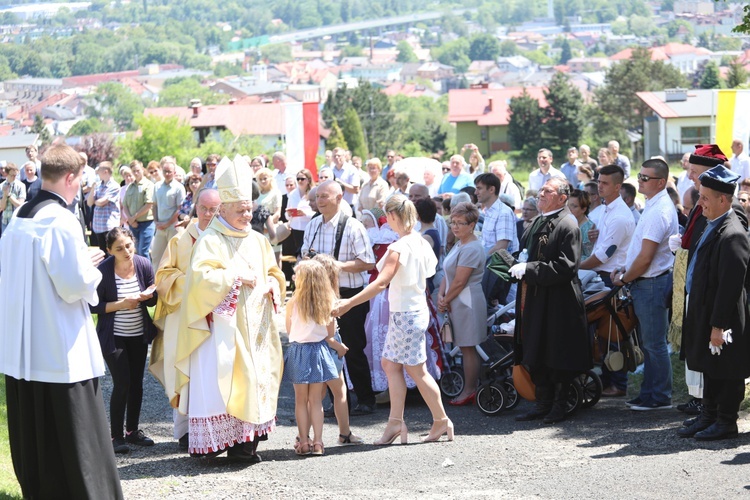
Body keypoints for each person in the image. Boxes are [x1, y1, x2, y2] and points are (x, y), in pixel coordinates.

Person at [0, 143, 123, 499]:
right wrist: (93, 266)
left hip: (23, 348)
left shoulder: (21, 214)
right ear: (71, 177)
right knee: (76, 435)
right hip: (59, 346)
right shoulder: (62, 220)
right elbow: (73, 286)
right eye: (80, 178)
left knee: (38, 435)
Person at [174, 156, 285, 462]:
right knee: (228, 382)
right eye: (240, 210)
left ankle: (246, 445)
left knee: (256, 380)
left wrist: (274, 285)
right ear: (222, 209)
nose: (247, 215)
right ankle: (217, 444)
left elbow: (275, 273)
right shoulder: (210, 240)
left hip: (257, 329)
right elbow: (200, 280)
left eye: (249, 209)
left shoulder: (259, 240)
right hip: (223, 332)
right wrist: (236, 278)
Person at [334, 194, 453, 444]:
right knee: (391, 364)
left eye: (388, 215)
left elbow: (380, 283)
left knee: (416, 370)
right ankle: (396, 423)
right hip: (413, 310)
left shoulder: (399, 247)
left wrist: (348, 303)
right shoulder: (418, 241)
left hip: (407, 313)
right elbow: (429, 272)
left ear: (393, 216)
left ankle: (440, 420)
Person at [678, 165, 750, 440]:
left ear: (723, 199)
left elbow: (730, 288)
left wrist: (718, 326)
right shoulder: (713, 224)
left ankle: (726, 421)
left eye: (705, 197)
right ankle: (708, 415)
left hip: (725, 316)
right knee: (710, 366)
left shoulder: (732, 234)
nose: (700, 202)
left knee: (727, 370)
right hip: (706, 310)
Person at [511, 178, 590, 424]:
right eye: (541, 189)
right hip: (535, 297)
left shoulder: (568, 224)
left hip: (558, 301)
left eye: (548, 191)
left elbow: (566, 266)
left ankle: (560, 404)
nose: (541, 194)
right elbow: (527, 254)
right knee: (537, 348)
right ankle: (542, 402)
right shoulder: (538, 221)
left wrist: (529, 268)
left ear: (562, 197)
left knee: (557, 351)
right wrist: (514, 263)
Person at [152, 188, 221, 450]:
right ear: (195, 208)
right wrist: (192, 283)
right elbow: (163, 277)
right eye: (203, 208)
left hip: (216, 318)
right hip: (184, 318)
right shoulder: (180, 240)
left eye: (213, 210)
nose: (207, 214)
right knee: (185, 370)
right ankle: (183, 432)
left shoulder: (226, 239)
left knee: (213, 373)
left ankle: (215, 430)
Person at [301, 181, 377, 415]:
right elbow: (305, 254)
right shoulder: (313, 224)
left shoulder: (353, 226)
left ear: (340, 197)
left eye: (325, 196)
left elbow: (368, 262)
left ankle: (365, 400)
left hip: (349, 296)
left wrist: (336, 265)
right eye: (317, 197)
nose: (319, 200)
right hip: (322, 294)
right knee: (326, 348)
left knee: (352, 348)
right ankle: (339, 403)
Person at [613, 158, 678, 411]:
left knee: (654, 344)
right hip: (647, 281)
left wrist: (624, 278)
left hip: (650, 283)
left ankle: (660, 396)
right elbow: (640, 252)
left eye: (645, 178)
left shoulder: (659, 210)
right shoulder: (654, 204)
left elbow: (646, 257)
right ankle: (650, 392)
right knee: (651, 344)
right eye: (639, 176)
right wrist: (626, 271)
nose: (639, 181)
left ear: (660, 182)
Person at [90, 227, 158, 453]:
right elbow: (94, 306)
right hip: (113, 337)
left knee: (137, 383)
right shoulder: (103, 271)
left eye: (129, 245)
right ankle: (116, 436)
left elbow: (152, 300)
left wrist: (149, 296)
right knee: (122, 383)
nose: (126, 251)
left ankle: (132, 431)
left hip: (138, 334)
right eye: (119, 248)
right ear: (109, 251)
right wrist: (121, 304)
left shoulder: (143, 264)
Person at [579, 165, 634, 397]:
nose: (599, 186)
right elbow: (598, 248)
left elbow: (602, 256)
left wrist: (572, 266)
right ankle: (607, 379)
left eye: (605, 183)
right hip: (601, 275)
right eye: (598, 182)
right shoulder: (603, 210)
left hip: (612, 279)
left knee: (613, 334)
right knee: (601, 334)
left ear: (618, 187)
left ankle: (619, 384)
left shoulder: (620, 215)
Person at [285, 260, 348, 456]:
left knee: (300, 401)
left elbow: (289, 330)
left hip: (299, 351)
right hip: (319, 352)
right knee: (316, 401)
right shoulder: (327, 303)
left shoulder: (293, 302)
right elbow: (329, 333)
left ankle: (303, 441)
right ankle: (319, 442)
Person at [311, 254, 364, 445]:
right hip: (329, 348)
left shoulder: (307, 297)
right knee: (340, 392)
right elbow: (329, 334)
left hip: (311, 347)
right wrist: (340, 347)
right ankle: (344, 433)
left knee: (316, 397)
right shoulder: (329, 298)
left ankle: (306, 436)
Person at [438, 202, 487, 405]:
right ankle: (469, 388)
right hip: (456, 298)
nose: (455, 227)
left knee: (468, 347)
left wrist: (445, 300)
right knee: (464, 346)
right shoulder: (461, 243)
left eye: (461, 223)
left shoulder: (473, 247)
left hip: (467, 301)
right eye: (453, 223)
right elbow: (448, 274)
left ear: (472, 224)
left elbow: (460, 281)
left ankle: (469, 390)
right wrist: (442, 295)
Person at [150, 156, 186, 267]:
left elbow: (179, 209)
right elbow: (154, 205)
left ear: (174, 172)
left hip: (173, 227)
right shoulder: (157, 186)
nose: (167, 174)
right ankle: (156, 282)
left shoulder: (179, 188)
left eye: (169, 172)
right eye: (165, 171)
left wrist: (167, 224)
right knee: (156, 256)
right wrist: (156, 221)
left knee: (173, 258)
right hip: (160, 227)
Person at [87, 161, 121, 253]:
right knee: (102, 253)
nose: (97, 173)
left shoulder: (114, 186)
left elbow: (102, 202)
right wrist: (93, 188)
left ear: (105, 171)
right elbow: (89, 203)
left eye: (99, 170)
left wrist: (96, 201)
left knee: (111, 253)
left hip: (109, 225)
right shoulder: (98, 185)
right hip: (98, 226)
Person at [123, 160, 156, 257]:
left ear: (142, 170)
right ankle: (139, 271)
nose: (136, 173)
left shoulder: (149, 185)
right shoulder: (130, 187)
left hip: (146, 223)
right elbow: (125, 204)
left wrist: (133, 217)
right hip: (133, 225)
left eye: (138, 170)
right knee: (136, 252)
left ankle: (147, 272)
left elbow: (149, 204)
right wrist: (130, 219)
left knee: (143, 251)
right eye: (134, 171)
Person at [287, 168, 315, 257]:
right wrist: (289, 214)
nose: (300, 181)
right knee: (298, 254)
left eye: (302, 179)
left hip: (309, 228)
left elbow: (318, 213)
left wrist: (305, 213)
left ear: (308, 180)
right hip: (295, 228)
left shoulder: (314, 192)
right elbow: (287, 213)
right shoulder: (292, 194)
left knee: (308, 254)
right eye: (298, 179)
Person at [567, 189, 595, 261]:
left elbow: (589, 256)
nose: (569, 209)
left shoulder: (589, 228)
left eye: (574, 206)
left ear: (583, 209)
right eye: (568, 205)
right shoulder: (566, 222)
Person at [0, 163, 26, 234]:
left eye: (16, 175)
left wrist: (8, 195)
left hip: (17, 221)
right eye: (12, 175)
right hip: (5, 222)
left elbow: (19, 205)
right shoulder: (1, 186)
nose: (14, 177)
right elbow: (2, 207)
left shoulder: (21, 186)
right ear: (6, 174)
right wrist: (5, 195)